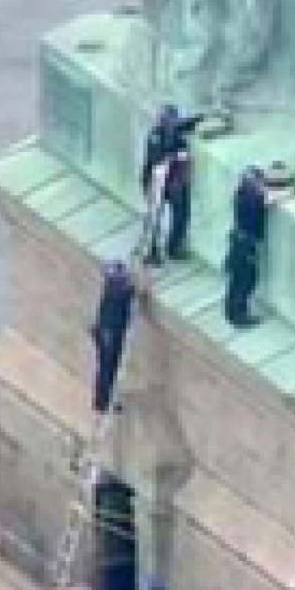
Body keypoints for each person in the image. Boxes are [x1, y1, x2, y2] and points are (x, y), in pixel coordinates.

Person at [224, 166, 295, 327]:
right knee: (246, 280)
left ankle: (232, 312)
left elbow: (267, 193)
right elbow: (269, 198)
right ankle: (239, 315)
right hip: (245, 245)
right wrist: (293, 191)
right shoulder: (252, 197)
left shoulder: (243, 193)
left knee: (237, 280)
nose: (262, 184)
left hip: (239, 242)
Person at [141, 105, 205, 265]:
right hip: (158, 180)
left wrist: (201, 117)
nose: (174, 125)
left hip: (174, 182)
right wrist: (177, 156)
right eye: (171, 122)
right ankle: (151, 251)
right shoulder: (155, 137)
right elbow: (158, 161)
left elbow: (186, 124)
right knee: (155, 217)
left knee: (181, 214)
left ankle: (173, 247)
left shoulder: (173, 131)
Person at [90, 261, 135, 418]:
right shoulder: (118, 292)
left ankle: (102, 400)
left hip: (106, 332)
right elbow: (130, 293)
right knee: (107, 368)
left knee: (107, 367)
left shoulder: (112, 291)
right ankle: (103, 401)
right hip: (108, 334)